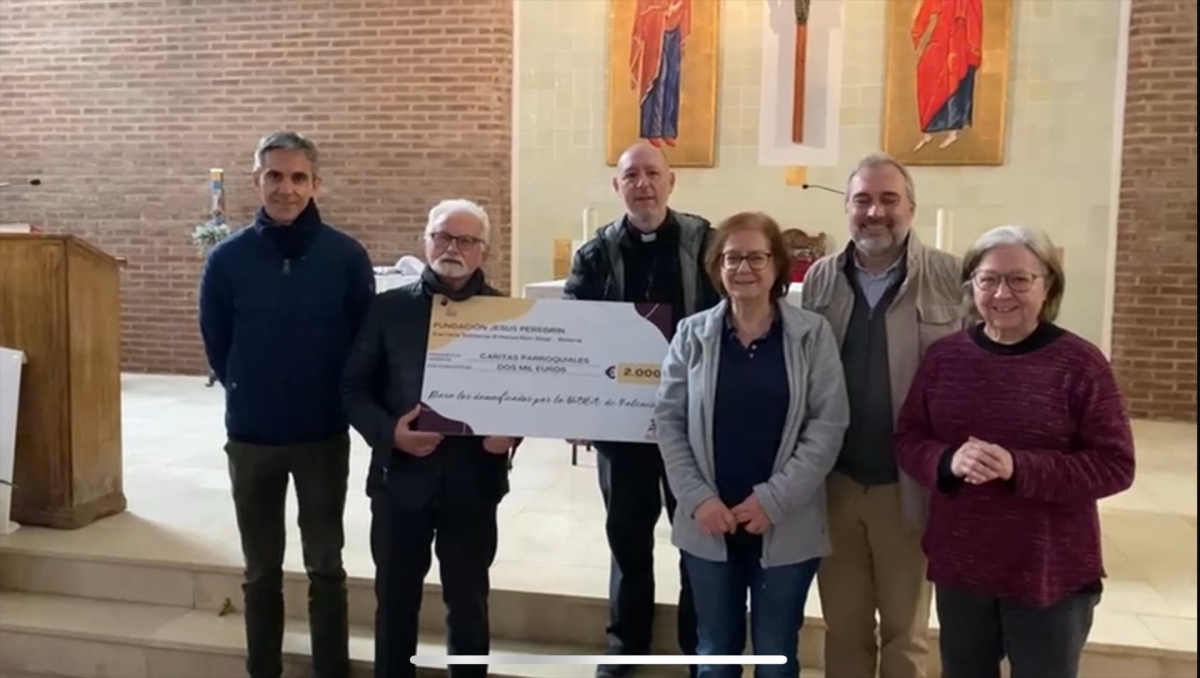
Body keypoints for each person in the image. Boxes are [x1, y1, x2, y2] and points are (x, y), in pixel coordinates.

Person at [893, 225, 1135, 678]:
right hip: (963, 565)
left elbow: (1115, 465)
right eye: (988, 279)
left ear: (1048, 287)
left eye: (1020, 280)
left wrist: (1019, 467)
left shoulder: (1080, 364)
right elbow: (908, 438)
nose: (1002, 293)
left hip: (1048, 568)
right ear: (972, 287)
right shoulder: (946, 358)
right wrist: (947, 461)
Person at [198, 130, 376, 678]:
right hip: (252, 437)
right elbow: (217, 343)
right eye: (274, 176)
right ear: (257, 180)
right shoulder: (227, 260)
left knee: (325, 565)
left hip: (321, 435)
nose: (286, 188)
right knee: (260, 571)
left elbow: (361, 341)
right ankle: (264, 669)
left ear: (316, 184)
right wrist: (250, 389)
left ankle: (331, 671)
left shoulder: (346, 257)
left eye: (298, 177)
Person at [654, 212, 850, 678]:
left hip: (786, 520)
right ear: (717, 267)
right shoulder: (692, 334)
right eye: (732, 257)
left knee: (776, 653)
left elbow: (828, 424)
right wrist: (699, 499)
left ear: (777, 266)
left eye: (756, 257)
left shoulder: (810, 334)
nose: (743, 268)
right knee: (714, 652)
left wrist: (773, 500)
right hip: (709, 522)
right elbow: (669, 420)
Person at [799, 152, 964, 678]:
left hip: (910, 487)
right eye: (862, 200)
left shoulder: (949, 277)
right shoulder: (821, 279)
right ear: (846, 209)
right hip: (836, 483)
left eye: (888, 199)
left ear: (911, 208)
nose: (875, 212)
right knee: (843, 629)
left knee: (906, 631)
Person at [341, 199, 518, 678]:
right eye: (442, 236)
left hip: (473, 486)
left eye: (465, 240)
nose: (452, 248)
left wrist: (510, 436)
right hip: (401, 483)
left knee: (469, 607)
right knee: (395, 604)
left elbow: (525, 396)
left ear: (483, 251)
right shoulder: (387, 309)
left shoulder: (510, 316)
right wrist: (389, 434)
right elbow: (352, 388)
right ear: (425, 241)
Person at [563, 141, 719, 678]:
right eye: (632, 175)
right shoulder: (595, 254)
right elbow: (574, 334)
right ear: (618, 187)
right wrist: (576, 408)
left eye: (653, 173)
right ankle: (625, 644)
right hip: (621, 423)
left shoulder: (707, 244)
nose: (643, 184)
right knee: (626, 536)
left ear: (671, 182)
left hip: (694, 422)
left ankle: (699, 642)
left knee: (696, 534)